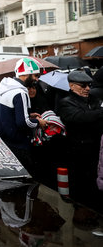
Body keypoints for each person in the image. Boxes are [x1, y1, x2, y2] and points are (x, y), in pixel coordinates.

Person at [55, 70, 103, 210]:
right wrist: (98, 114)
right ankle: (82, 211)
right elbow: (79, 118)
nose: (87, 88)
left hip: (95, 149)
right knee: (81, 185)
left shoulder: (93, 100)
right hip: (77, 151)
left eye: (89, 85)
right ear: (72, 86)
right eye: (83, 85)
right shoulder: (65, 102)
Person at [0, 57, 47, 174]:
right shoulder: (21, 92)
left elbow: (3, 114)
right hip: (18, 145)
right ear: (26, 74)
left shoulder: (1, 89)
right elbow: (23, 123)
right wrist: (39, 122)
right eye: (35, 76)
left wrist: (28, 114)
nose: (37, 80)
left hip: (3, 143)